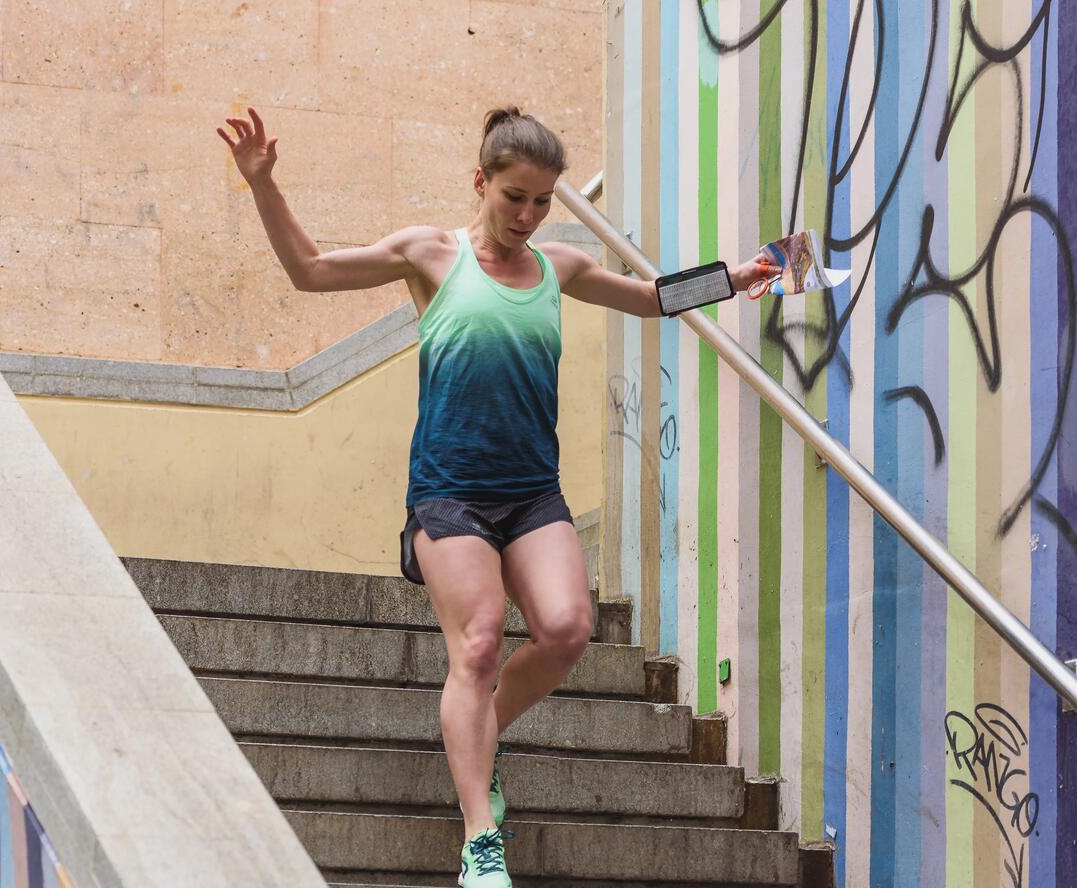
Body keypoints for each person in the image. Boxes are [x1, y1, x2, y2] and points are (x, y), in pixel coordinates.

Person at [217, 105, 777, 887]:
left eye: (543, 200)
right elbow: (309, 270)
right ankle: (481, 836)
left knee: (567, 628)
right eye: (514, 196)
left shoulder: (559, 268)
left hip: (529, 492)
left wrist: (734, 277)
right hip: (448, 494)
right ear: (480, 182)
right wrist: (263, 185)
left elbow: (648, 297)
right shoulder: (430, 255)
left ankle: (480, 730)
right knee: (479, 641)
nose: (528, 214)